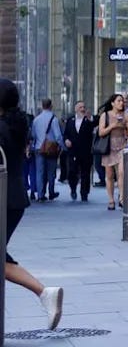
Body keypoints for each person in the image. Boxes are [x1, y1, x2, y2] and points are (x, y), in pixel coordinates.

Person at [0, 79, 64, 330]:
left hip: (4, 196)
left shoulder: (3, 128)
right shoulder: (16, 123)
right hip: (13, 196)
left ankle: (44, 292)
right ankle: (44, 293)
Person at [98, 94, 127, 210]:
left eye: (123, 101)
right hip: (108, 146)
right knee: (109, 175)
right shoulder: (105, 116)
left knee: (121, 172)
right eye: (119, 101)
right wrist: (113, 126)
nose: (121, 103)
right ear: (112, 103)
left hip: (122, 146)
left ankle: (122, 198)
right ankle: (111, 199)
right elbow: (101, 132)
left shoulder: (125, 115)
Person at [31, 99, 63, 203]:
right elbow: (58, 136)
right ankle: (51, 192)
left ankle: (40, 195)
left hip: (39, 149)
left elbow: (33, 135)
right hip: (51, 149)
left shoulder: (36, 119)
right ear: (51, 106)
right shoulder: (53, 119)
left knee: (39, 172)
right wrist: (63, 146)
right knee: (51, 172)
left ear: (42, 106)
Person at [63, 100, 94, 202]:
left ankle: (84, 194)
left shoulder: (88, 120)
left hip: (85, 151)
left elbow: (92, 129)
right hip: (73, 151)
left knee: (85, 173)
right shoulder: (70, 120)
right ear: (76, 109)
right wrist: (66, 140)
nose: (82, 109)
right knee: (72, 171)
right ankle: (73, 188)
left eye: (84, 107)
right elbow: (66, 133)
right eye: (80, 107)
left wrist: (90, 120)